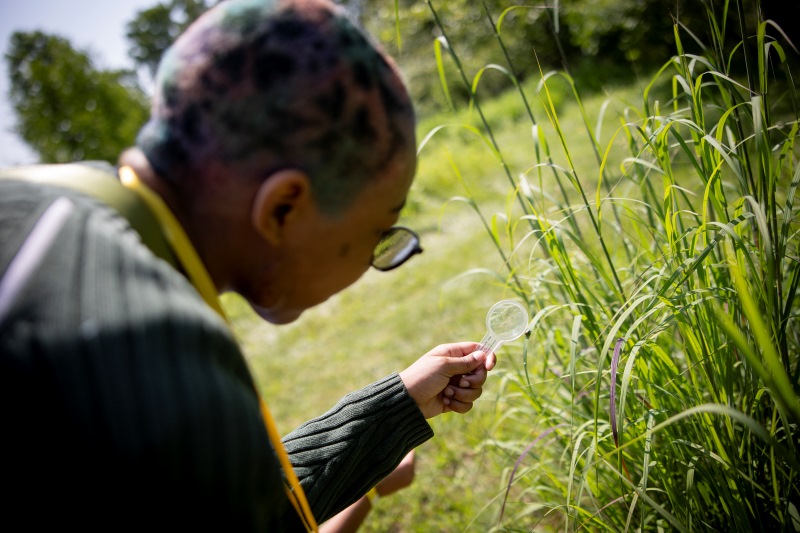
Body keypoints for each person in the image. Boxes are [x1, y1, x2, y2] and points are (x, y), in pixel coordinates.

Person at [0, 0, 495, 530]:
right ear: (283, 209)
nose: (374, 261)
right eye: (378, 234)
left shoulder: (38, 203)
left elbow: (213, 494)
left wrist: (393, 412)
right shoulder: (152, 355)